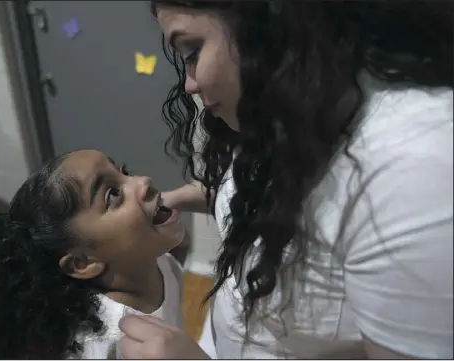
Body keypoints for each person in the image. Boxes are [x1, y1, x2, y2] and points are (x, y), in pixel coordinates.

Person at [118, 0, 453, 359]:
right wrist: (187, 197)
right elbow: (266, 194)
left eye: (192, 51)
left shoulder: (410, 168)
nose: (189, 84)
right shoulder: (289, 106)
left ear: (266, 20)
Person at [0, 149, 189, 359]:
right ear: (82, 262)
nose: (143, 180)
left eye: (124, 171)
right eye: (112, 194)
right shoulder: (103, 346)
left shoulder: (161, 263)